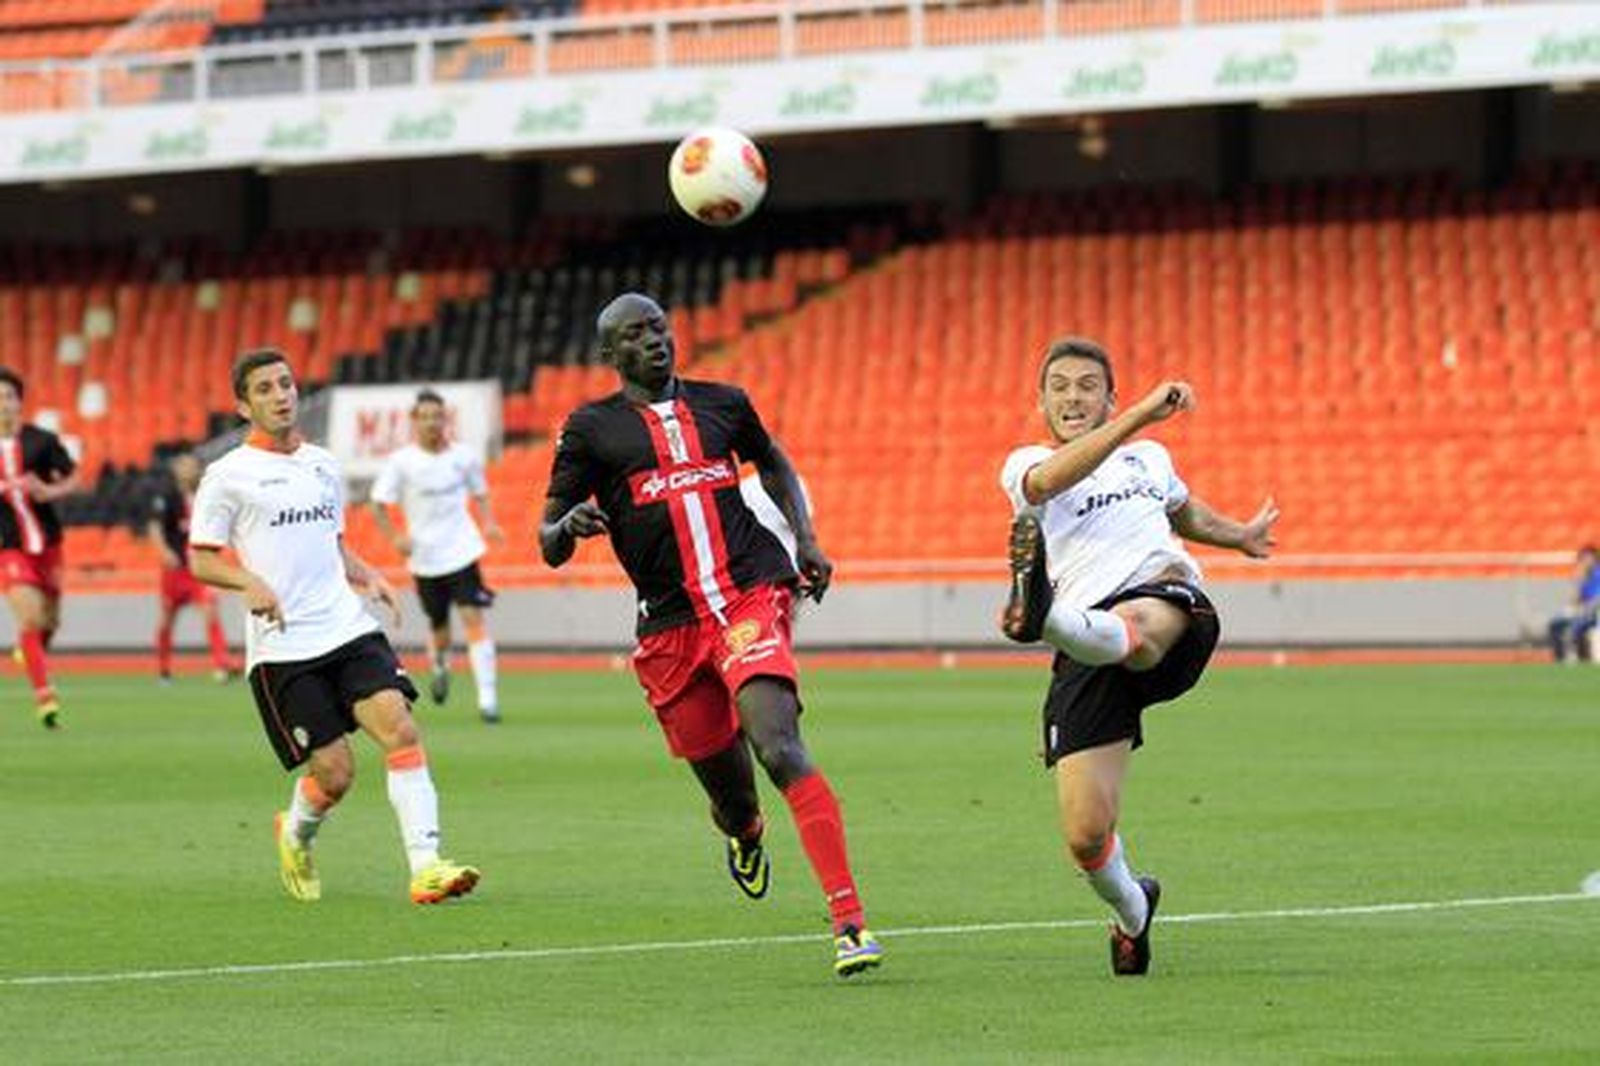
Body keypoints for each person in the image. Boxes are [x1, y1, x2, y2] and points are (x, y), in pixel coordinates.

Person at [539, 292, 883, 978]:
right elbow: (546, 539)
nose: (655, 342)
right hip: (668, 625)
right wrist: (566, 529)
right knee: (731, 796)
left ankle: (850, 923)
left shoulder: (725, 403)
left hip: (749, 595)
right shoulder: (590, 430)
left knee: (778, 744)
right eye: (636, 336)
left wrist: (807, 539)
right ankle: (747, 832)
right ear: (611, 356)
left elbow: (775, 462)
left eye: (660, 329)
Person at [998, 337, 1278, 977]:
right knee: (1086, 835)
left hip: (1167, 608)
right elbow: (1048, 481)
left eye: (1088, 386)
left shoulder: (1148, 458)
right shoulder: (1024, 465)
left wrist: (1240, 536)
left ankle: (1040, 615)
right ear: (1040, 402)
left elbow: (1183, 513)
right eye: (1061, 386)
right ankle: (1133, 911)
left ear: (1109, 398)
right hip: (1088, 649)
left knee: (1139, 625)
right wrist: (1140, 416)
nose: (1074, 396)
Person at [189, 348, 479, 906]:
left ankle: (427, 867)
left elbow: (333, 543)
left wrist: (367, 573)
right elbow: (201, 560)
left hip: (346, 626)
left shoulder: (323, 463)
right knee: (336, 773)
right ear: (243, 406)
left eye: (286, 384)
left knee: (400, 728)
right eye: (265, 389)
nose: (280, 396)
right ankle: (294, 832)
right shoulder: (227, 476)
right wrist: (248, 582)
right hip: (283, 647)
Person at [369, 389, 505, 723]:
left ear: (446, 420)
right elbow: (377, 503)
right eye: (425, 416)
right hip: (426, 558)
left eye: (437, 416)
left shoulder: (464, 457)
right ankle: (440, 666)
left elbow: (481, 493)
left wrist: (488, 524)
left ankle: (487, 699)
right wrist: (395, 537)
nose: (432, 422)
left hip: (462, 550)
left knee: (473, 616)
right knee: (440, 628)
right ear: (414, 421)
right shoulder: (402, 463)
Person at [0, 366, 80, 729]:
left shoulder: (41, 441)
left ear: (19, 402)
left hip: (48, 543)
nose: (4, 404)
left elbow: (74, 476)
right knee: (30, 617)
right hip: (9, 546)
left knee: (51, 620)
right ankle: (45, 698)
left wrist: (51, 491)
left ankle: (29, 650)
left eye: (10, 397)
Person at [147, 449, 238, 684]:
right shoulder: (166, 497)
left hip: (199, 566)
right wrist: (164, 551)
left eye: (191, 465)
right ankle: (163, 669)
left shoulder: (206, 495)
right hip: (175, 570)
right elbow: (154, 528)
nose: (188, 470)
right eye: (183, 465)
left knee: (210, 611)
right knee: (167, 619)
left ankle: (221, 665)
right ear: (176, 470)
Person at [1547, 545, 1600, 663]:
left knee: (1570, 630)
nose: (1584, 561)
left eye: (1587, 558)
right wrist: (1578, 580)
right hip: (1586, 611)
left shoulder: (1598, 574)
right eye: (1582, 559)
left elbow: (1596, 599)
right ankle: (1562, 659)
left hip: (1594, 612)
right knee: (1555, 625)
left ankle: (1573, 657)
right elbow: (1575, 600)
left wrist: (1586, 607)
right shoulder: (1585, 576)